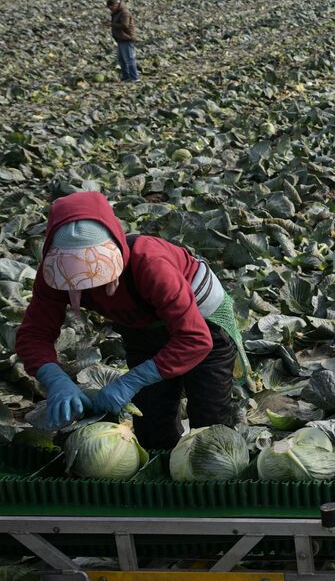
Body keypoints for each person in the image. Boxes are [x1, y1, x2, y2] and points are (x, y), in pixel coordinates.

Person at [17, 192, 249, 449]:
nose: (89, 285)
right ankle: (159, 480)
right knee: (151, 425)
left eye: (98, 275)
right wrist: (55, 379)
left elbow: (195, 338)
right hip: (141, 327)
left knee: (209, 422)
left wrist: (131, 381)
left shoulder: (149, 263)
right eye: (75, 277)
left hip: (203, 322)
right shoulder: (53, 273)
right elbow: (34, 335)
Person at [106, 0, 138, 82]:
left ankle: (135, 78)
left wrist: (112, 24)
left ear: (115, 5)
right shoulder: (117, 12)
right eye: (109, 8)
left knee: (129, 58)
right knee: (121, 59)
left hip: (127, 38)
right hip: (121, 38)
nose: (110, 9)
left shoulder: (124, 12)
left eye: (111, 7)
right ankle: (126, 77)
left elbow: (125, 25)